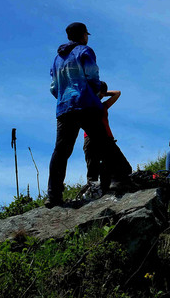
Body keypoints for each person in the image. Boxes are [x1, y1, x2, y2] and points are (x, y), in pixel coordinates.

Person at [46, 22, 131, 208]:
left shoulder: (57, 59)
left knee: (61, 152)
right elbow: (93, 76)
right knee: (103, 141)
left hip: (64, 108)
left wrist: (63, 97)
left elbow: (53, 87)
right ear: (83, 35)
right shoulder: (84, 51)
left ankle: (53, 195)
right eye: (86, 34)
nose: (87, 37)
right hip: (85, 104)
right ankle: (123, 176)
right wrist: (93, 92)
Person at [82, 81, 132, 195]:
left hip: (107, 138)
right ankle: (94, 191)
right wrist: (95, 92)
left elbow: (117, 93)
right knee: (93, 168)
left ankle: (108, 187)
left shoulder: (103, 106)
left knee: (112, 165)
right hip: (90, 138)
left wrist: (103, 93)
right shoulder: (87, 104)